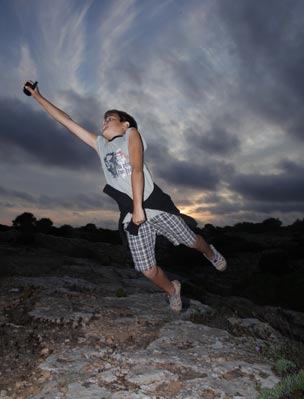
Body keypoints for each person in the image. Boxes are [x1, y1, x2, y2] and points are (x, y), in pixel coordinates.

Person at [23, 81, 227, 312]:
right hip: (132, 212)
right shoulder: (101, 145)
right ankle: (172, 290)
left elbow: (137, 168)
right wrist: (38, 97)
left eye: (110, 118)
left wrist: (139, 207)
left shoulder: (132, 133)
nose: (104, 122)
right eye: (103, 119)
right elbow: (67, 121)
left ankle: (210, 252)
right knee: (146, 269)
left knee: (191, 241)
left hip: (152, 205)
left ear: (124, 123)